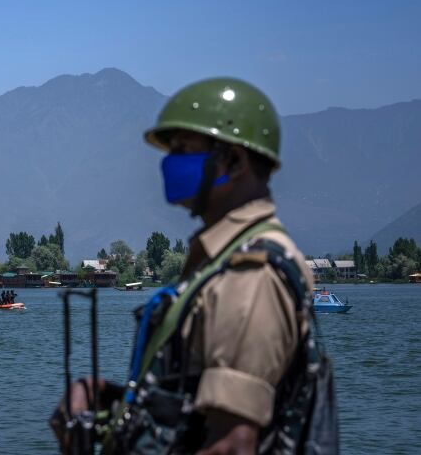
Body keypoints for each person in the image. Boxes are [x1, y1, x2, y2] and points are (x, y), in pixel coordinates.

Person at [51, 79, 336, 454]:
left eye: (184, 150)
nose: (169, 163)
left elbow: (233, 443)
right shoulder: (222, 261)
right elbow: (197, 410)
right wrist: (110, 398)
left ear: (233, 160)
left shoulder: (251, 275)